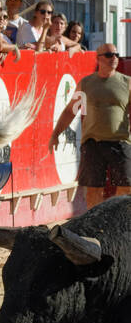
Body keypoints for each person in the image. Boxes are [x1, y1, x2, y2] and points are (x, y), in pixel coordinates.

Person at [51, 43, 131, 209]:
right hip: (93, 142)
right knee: (94, 189)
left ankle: (113, 219)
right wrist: (56, 134)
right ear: (99, 59)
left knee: (127, 186)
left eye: (116, 54)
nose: (114, 58)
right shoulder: (86, 84)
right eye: (109, 55)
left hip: (120, 141)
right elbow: (70, 112)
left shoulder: (127, 83)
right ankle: (95, 225)